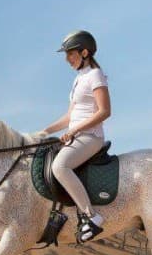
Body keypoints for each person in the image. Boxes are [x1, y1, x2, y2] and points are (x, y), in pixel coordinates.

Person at [40, 29, 111, 242]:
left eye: (71, 54)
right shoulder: (79, 79)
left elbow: (104, 111)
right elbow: (70, 116)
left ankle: (92, 216)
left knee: (60, 166)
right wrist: (45, 131)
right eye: (66, 54)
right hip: (78, 135)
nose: (67, 59)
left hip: (91, 137)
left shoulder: (95, 75)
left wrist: (74, 130)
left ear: (85, 53)